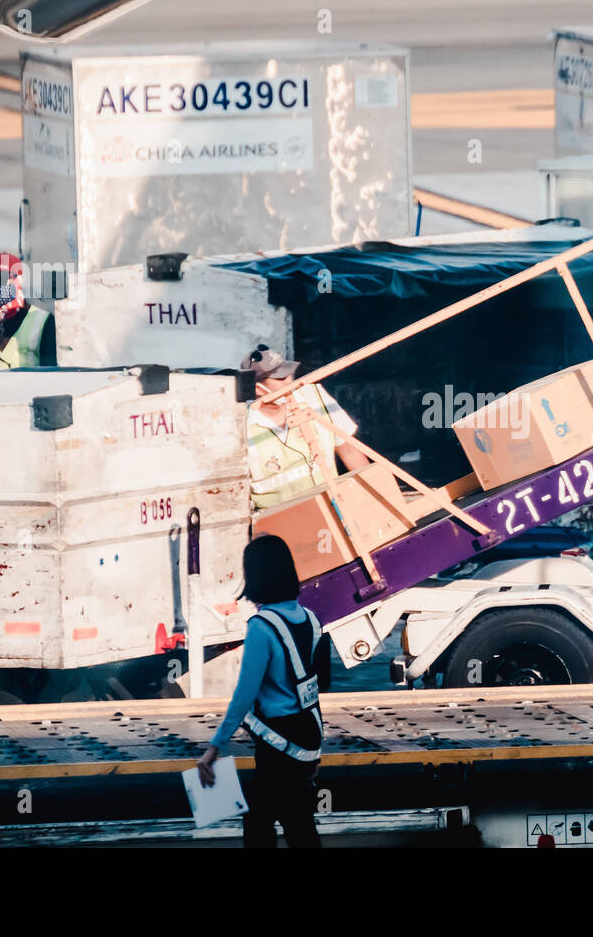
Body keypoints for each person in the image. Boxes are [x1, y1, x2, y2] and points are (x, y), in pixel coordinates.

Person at [196, 534, 331, 848]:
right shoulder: (311, 620)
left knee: (262, 823)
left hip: (278, 746)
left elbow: (243, 696)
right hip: (308, 738)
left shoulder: (261, 627)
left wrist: (214, 747)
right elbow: (321, 681)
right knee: (296, 820)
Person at [242, 343, 369, 511]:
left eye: (289, 373)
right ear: (259, 389)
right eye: (280, 378)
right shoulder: (242, 428)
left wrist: (376, 500)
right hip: (281, 528)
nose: (290, 381)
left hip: (335, 511)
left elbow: (349, 451)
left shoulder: (314, 398)